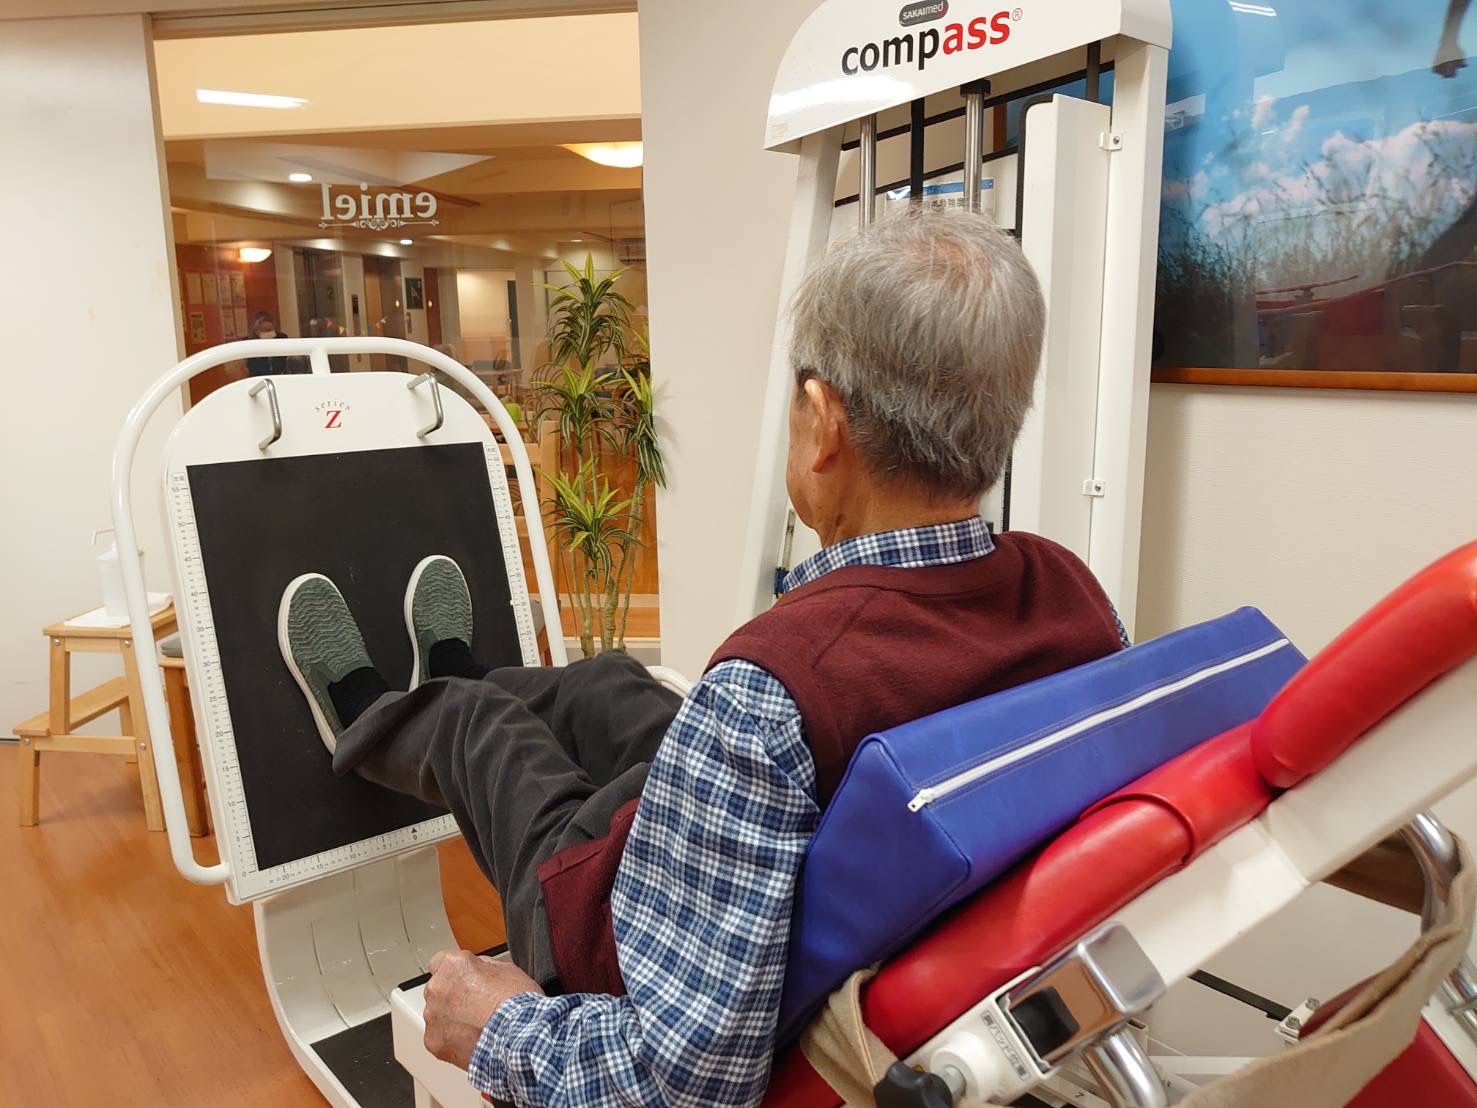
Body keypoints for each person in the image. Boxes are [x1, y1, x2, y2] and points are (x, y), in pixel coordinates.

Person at [276, 208, 1129, 1108]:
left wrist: (500, 1026)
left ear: (822, 422)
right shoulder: (1068, 594)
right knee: (610, 681)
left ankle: (369, 708)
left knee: (477, 725)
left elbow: (678, 1083)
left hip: (602, 934)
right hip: (766, 858)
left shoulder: (776, 686)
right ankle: (455, 668)